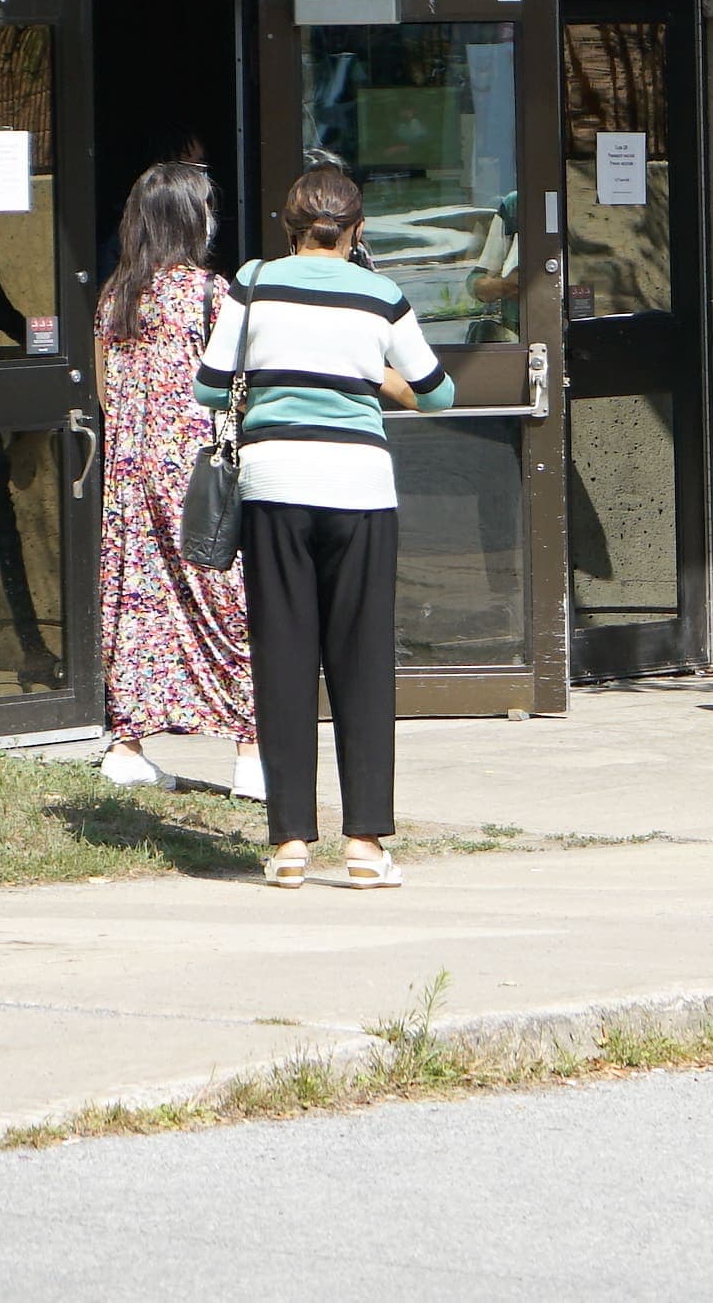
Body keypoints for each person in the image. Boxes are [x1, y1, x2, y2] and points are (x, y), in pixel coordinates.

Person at [197, 164, 450, 890]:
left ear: (289, 226)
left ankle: (288, 846)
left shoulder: (253, 280)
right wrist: (377, 380)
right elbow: (439, 392)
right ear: (358, 229)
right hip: (361, 490)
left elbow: (209, 385)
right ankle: (366, 843)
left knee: (282, 657)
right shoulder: (381, 295)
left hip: (274, 488)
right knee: (363, 660)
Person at [91, 158, 261, 802]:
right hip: (195, 472)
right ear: (192, 220)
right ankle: (250, 751)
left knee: (136, 603)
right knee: (228, 601)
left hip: (128, 477)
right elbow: (238, 384)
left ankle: (128, 744)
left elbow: (108, 392)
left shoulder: (116, 294)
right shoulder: (209, 293)